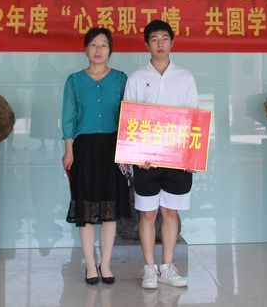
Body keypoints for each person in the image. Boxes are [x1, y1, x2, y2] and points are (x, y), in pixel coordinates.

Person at [123, 19, 199, 290]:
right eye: (154, 39)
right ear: (147, 44)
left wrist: (192, 156)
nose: (160, 44)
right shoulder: (137, 78)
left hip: (177, 158)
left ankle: (166, 266)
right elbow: (129, 117)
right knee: (147, 213)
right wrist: (134, 155)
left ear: (172, 42)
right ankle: (149, 269)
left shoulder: (185, 77)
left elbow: (194, 118)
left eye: (165, 39)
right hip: (146, 159)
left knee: (170, 211)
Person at [61, 27, 131, 285]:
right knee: (86, 208)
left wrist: (127, 152)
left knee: (110, 208)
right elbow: (68, 117)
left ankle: (106, 264)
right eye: (93, 44)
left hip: (113, 147)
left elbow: (128, 117)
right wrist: (68, 149)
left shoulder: (120, 79)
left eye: (103, 45)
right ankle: (90, 265)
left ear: (110, 50)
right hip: (85, 148)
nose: (98, 50)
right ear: (85, 49)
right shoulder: (74, 81)